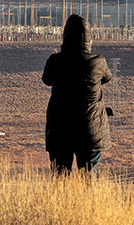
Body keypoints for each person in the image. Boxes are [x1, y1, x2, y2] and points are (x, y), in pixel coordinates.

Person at [42, 14, 113, 175]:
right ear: (89, 39)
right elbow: (107, 78)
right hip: (90, 128)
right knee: (87, 176)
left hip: (60, 128)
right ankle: (85, 200)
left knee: (60, 175)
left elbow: (46, 80)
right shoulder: (97, 61)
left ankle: (62, 200)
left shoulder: (55, 60)